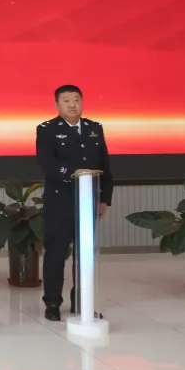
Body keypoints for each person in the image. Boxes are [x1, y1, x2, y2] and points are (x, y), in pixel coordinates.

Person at [36, 84, 114, 322]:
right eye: (66, 100)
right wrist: (73, 172)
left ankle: (82, 301)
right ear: (57, 105)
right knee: (56, 253)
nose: (72, 105)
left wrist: (104, 198)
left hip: (88, 200)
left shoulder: (94, 128)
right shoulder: (47, 129)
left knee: (85, 254)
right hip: (60, 200)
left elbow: (104, 165)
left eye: (76, 100)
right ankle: (52, 303)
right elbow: (47, 163)